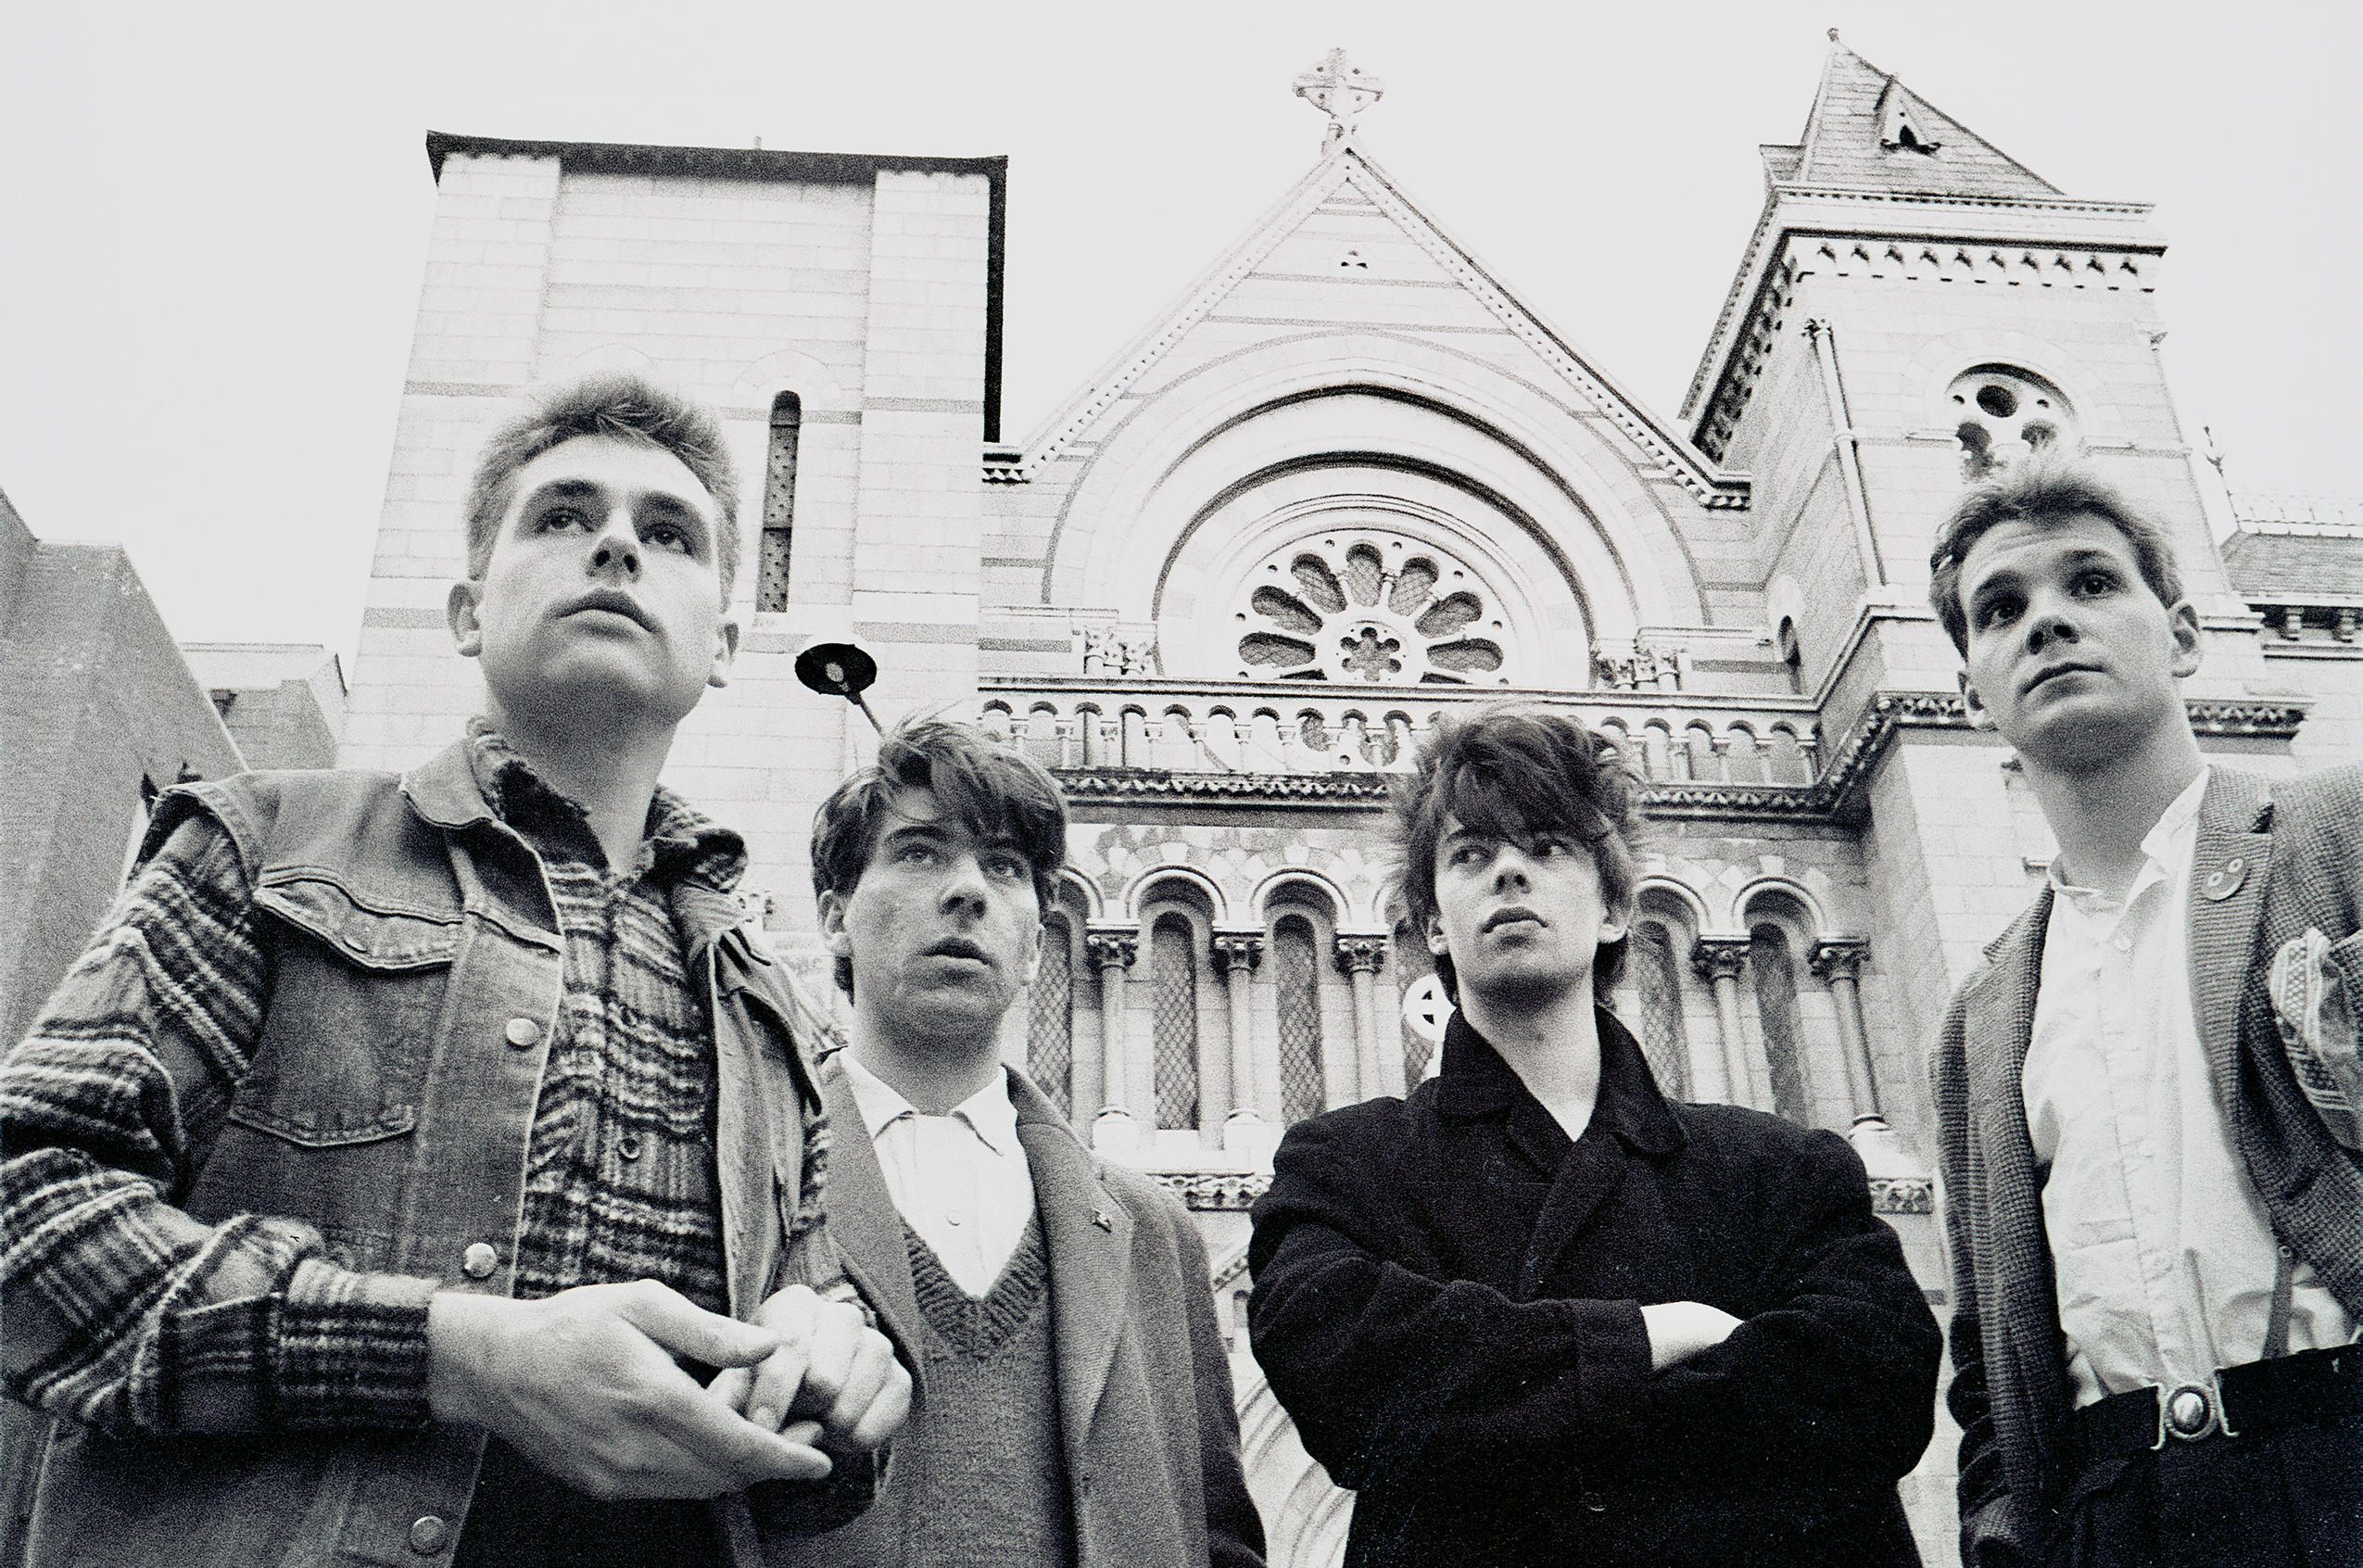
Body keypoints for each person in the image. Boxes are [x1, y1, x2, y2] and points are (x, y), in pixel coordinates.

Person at [0, 374, 908, 1568]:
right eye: (562, 517)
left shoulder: (774, 1008)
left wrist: (840, 1382)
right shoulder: (263, 845)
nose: (619, 546)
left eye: (670, 532)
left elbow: (812, 1404)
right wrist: (456, 1356)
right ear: (469, 613)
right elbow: (26, 1209)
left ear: (726, 646)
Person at [1246, 707, 1940, 1568]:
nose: (1508, 872)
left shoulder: (1782, 1169)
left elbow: (1876, 1386)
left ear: (1616, 909)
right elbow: (1342, 1374)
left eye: (1547, 848)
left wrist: (1499, 1411)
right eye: (1471, 854)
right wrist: (1656, 1337)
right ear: (1432, 926)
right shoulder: (1345, 1164)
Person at [1926, 461, 2362, 1568]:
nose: (2049, 623)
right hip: (2115, 1515)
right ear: (1973, 692)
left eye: (2091, 584)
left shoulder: (2337, 836)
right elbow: (1989, 1354)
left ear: (2179, 635)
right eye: (2003, 609)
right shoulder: (1981, 1014)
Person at [757, 717, 1265, 1568]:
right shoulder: (748, 1186)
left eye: (1005, 867)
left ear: (1037, 944)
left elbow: (1214, 1538)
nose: (969, 891)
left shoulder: (1155, 1233)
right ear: (834, 917)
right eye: (919, 853)